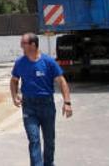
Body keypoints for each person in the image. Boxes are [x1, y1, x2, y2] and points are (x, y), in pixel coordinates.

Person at [10, 32, 72, 166]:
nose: (21, 46)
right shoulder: (20, 63)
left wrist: (67, 103)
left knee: (49, 140)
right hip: (29, 106)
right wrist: (14, 96)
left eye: (23, 43)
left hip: (47, 105)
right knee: (34, 140)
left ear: (33, 45)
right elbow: (14, 80)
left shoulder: (48, 62)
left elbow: (62, 81)